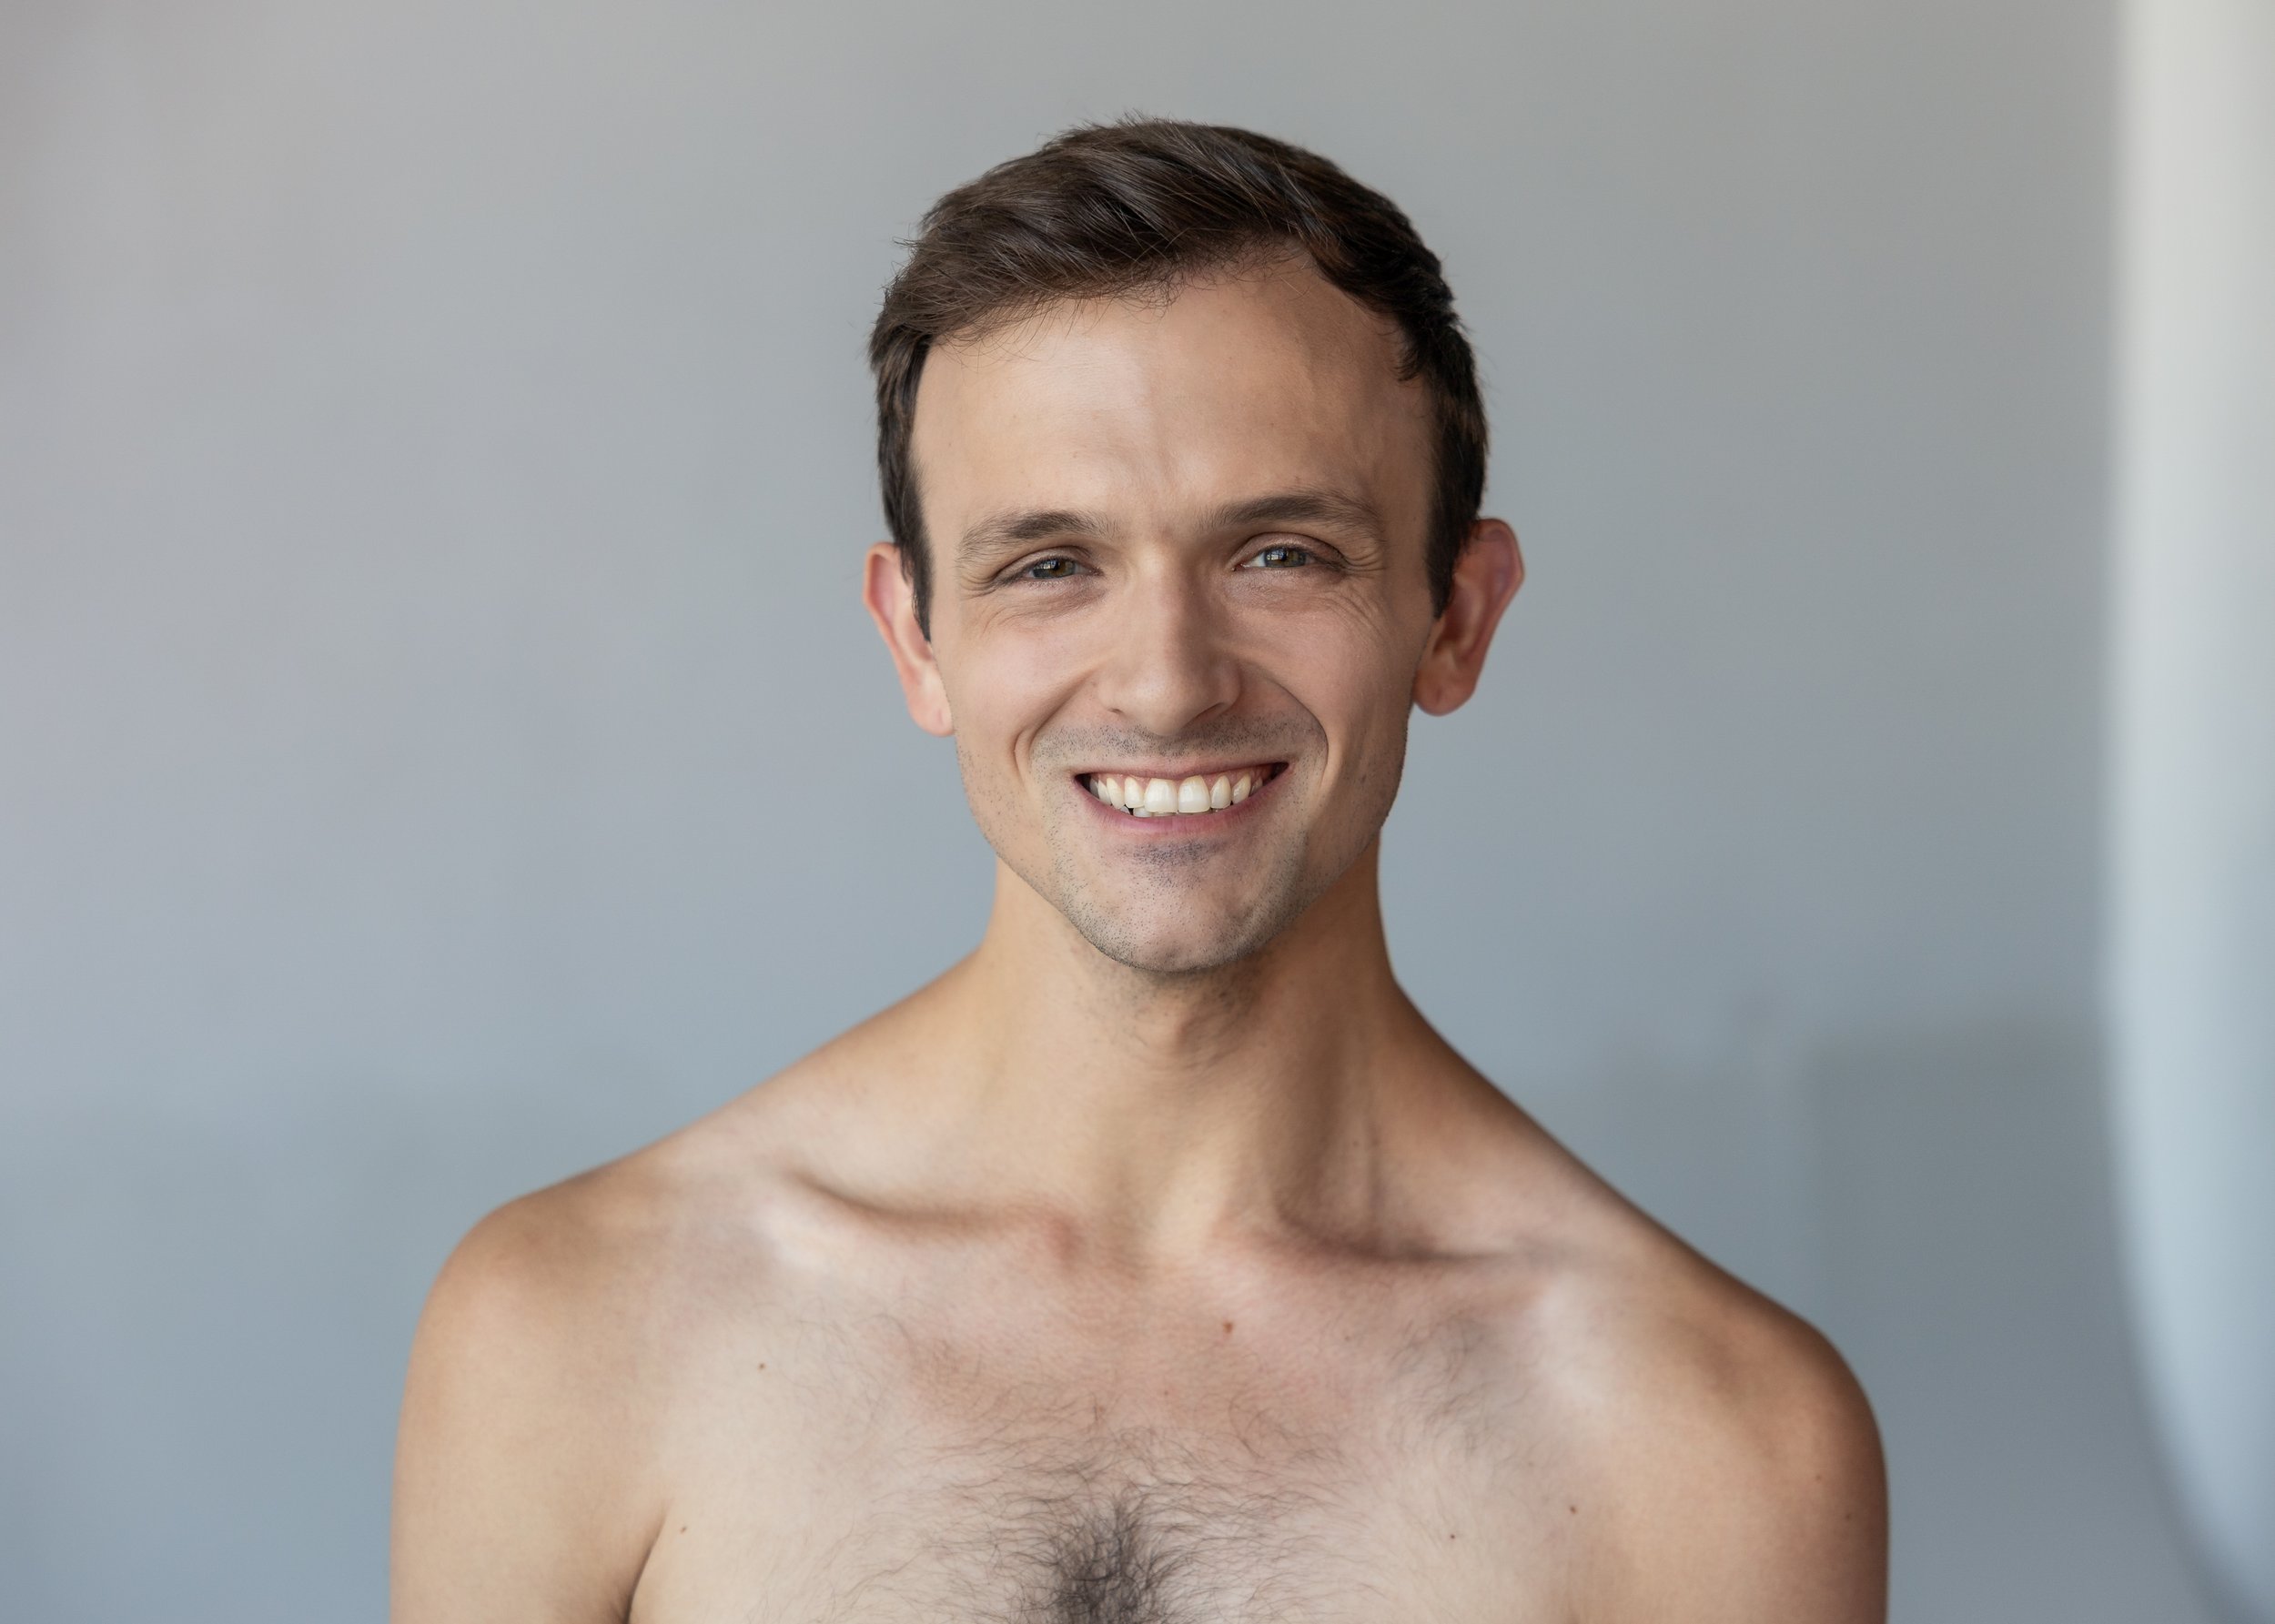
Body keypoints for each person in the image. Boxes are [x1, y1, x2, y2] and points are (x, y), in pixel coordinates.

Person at [390, 117, 1887, 1623]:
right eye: (1050, 565)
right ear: (917, 638)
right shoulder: (573, 1333)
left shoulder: (1713, 1443)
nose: (1169, 684)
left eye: (1280, 552)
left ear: (1456, 617)